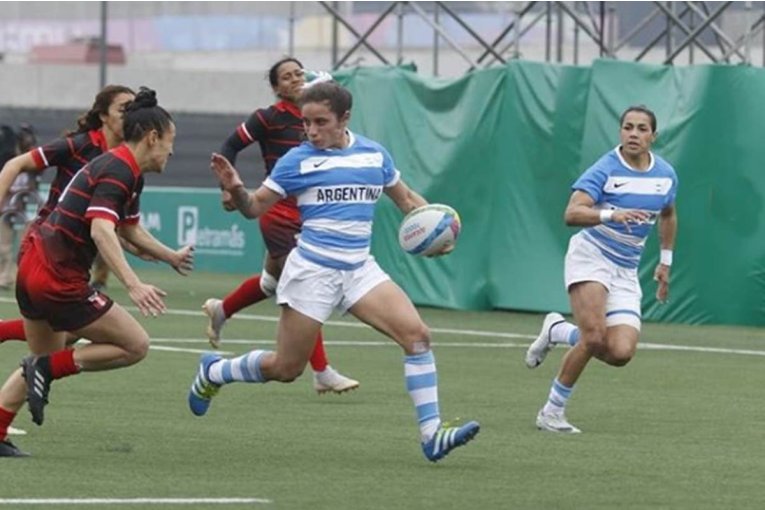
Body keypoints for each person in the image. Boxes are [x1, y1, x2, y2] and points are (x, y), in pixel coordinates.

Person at [189, 81, 480, 462]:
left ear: (345, 119)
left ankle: (432, 436)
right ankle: (215, 372)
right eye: (306, 122)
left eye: (321, 122)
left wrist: (438, 232)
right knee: (286, 368)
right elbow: (254, 207)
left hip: (360, 269)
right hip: (312, 272)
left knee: (418, 337)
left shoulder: (374, 155)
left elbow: (409, 201)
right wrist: (238, 190)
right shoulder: (296, 161)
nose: (311, 131)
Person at [0, 87, 194, 457]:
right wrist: (133, 285)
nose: (172, 151)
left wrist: (170, 256)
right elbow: (102, 230)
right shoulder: (118, 168)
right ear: (153, 137)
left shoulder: (126, 169)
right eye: (171, 141)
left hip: (36, 266)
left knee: (45, 359)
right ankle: (43, 366)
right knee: (135, 345)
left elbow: (130, 229)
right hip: (57, 275)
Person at [203, 57, 357, 394]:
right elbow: (230, 146)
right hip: (277, 211)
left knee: (270, 283)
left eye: (299, 73)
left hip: (308, 211)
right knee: (307, 288)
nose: (295, 79)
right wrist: (227, 189)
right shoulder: (268, 117)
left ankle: (221, 309)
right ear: (276, 87)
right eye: (286, 77)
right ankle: (322, 371)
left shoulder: (316, 118)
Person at [525, 105, 678, 434]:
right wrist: (611, 214)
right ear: (620, 131)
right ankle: (551, 412)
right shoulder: (605, 169)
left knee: (620, 353)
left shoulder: (665, 175)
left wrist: (665, 262)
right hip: (591, 256)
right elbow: (571, 213)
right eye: (627, 127)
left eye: (641, 129)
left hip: (626, 269)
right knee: (594, 337)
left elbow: (668, 214)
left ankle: (557, 331)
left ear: (653, 136)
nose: (633, 134)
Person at [0, 85, 137, 348]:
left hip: (72, 249)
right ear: (103, 115)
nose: (130, 116)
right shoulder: (80, 144)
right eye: (123, 109)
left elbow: (111, 221)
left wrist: (155, 251)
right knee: (82, 326)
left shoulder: (124, 160)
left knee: (68, 331)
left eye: (134, 110)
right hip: (46, 245)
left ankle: (13, 344)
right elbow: (15, 164)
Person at [0, 124, 39, 290]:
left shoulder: (35, 160)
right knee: (4, 246)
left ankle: (20, 277)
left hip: (27, 209)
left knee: (25, 246)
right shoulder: (7, 159)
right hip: (8, 208)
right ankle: (4, 277)